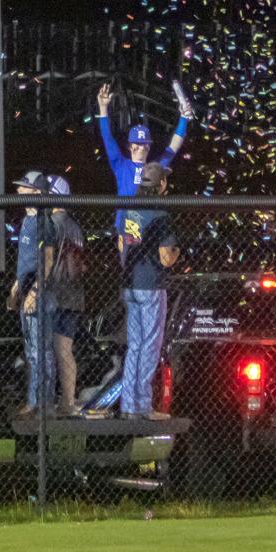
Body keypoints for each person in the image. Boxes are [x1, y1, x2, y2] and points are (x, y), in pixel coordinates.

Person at [119, 162, 180, 420]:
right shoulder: (161, 214)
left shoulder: (130, 208)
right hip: (151, 285)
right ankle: (143, 405)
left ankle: (128, 404)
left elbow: (121, 241)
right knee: (150, 346)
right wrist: (178, 251)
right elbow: (166, 258)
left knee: (135, 345)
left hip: (130, 283)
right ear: (161, 184)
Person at [96, 81, 193, 242]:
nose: (141, 147)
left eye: (144, 144)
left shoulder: (153, 168)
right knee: (128, 262)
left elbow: (173, 148)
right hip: (124, 226)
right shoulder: (121, 165)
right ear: (129, 145)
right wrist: (103, 108)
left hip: (147, 226)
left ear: (149, 147)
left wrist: (183, 119)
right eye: (137, 144)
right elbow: (108, 138)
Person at [7, 170, 56, 416]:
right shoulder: (28, 221)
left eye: (25, 187)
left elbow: (47, 261)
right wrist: (17, 287)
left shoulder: (43, 222)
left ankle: (41, 404)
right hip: (27, 291)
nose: (19, 191)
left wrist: (35, 292)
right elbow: (26, 261)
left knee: (41, 351)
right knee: (32, 351)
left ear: (37, 192)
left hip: (39, 295)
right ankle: (35, 401)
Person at [45, 175, 86, 416]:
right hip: (73, 294)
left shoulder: (52, 223)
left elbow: (48, 261)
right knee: (65, 349)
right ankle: (68, 402)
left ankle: (49, 403)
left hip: (55, 294)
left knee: (50, 350)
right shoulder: (75, 226)